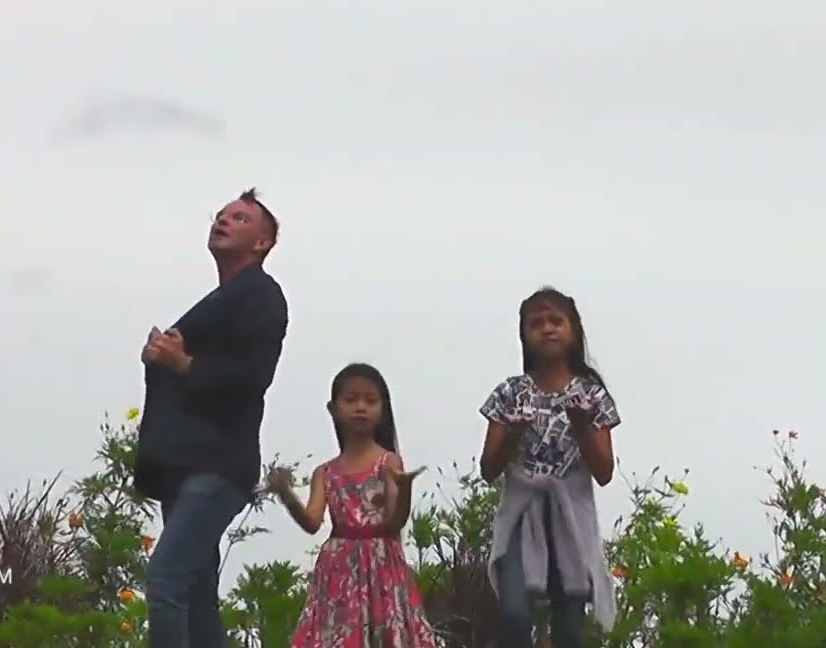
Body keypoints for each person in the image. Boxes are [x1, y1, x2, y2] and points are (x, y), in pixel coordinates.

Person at [133, 188, 288, 648]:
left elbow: (252, 379)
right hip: (183, 465)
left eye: (239, 218)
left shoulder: (260, 295)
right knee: (197, 595)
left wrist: (180, 362)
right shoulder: (222, 301)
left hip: (218, 465)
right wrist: (159, 358)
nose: (222, 221)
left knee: (165, 580)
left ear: (262, 242)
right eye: (220, 215)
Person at [478, 287, 620, 648]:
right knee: (514, 614)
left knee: (569, 627)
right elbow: (488, 468)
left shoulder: (591, 395)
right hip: (520, 516)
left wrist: (582, 428)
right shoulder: (510, 393)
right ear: (524, 334)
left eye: (556, 320)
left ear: (573, 330)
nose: (547, 329)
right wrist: (514, 433)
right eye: (536, 323)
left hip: (570, 520)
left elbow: (604, 472)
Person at [267, 363, 438, 648]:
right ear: (333, 409)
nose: (361, 407)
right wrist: (286, 493)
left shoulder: (388, 462)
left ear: (382, 410)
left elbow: (395, 521)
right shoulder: (325, 472)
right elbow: (311, 522)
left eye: (370, 401)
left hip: (382, 564)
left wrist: (405, 489)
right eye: (351, 399)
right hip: (339, 570)